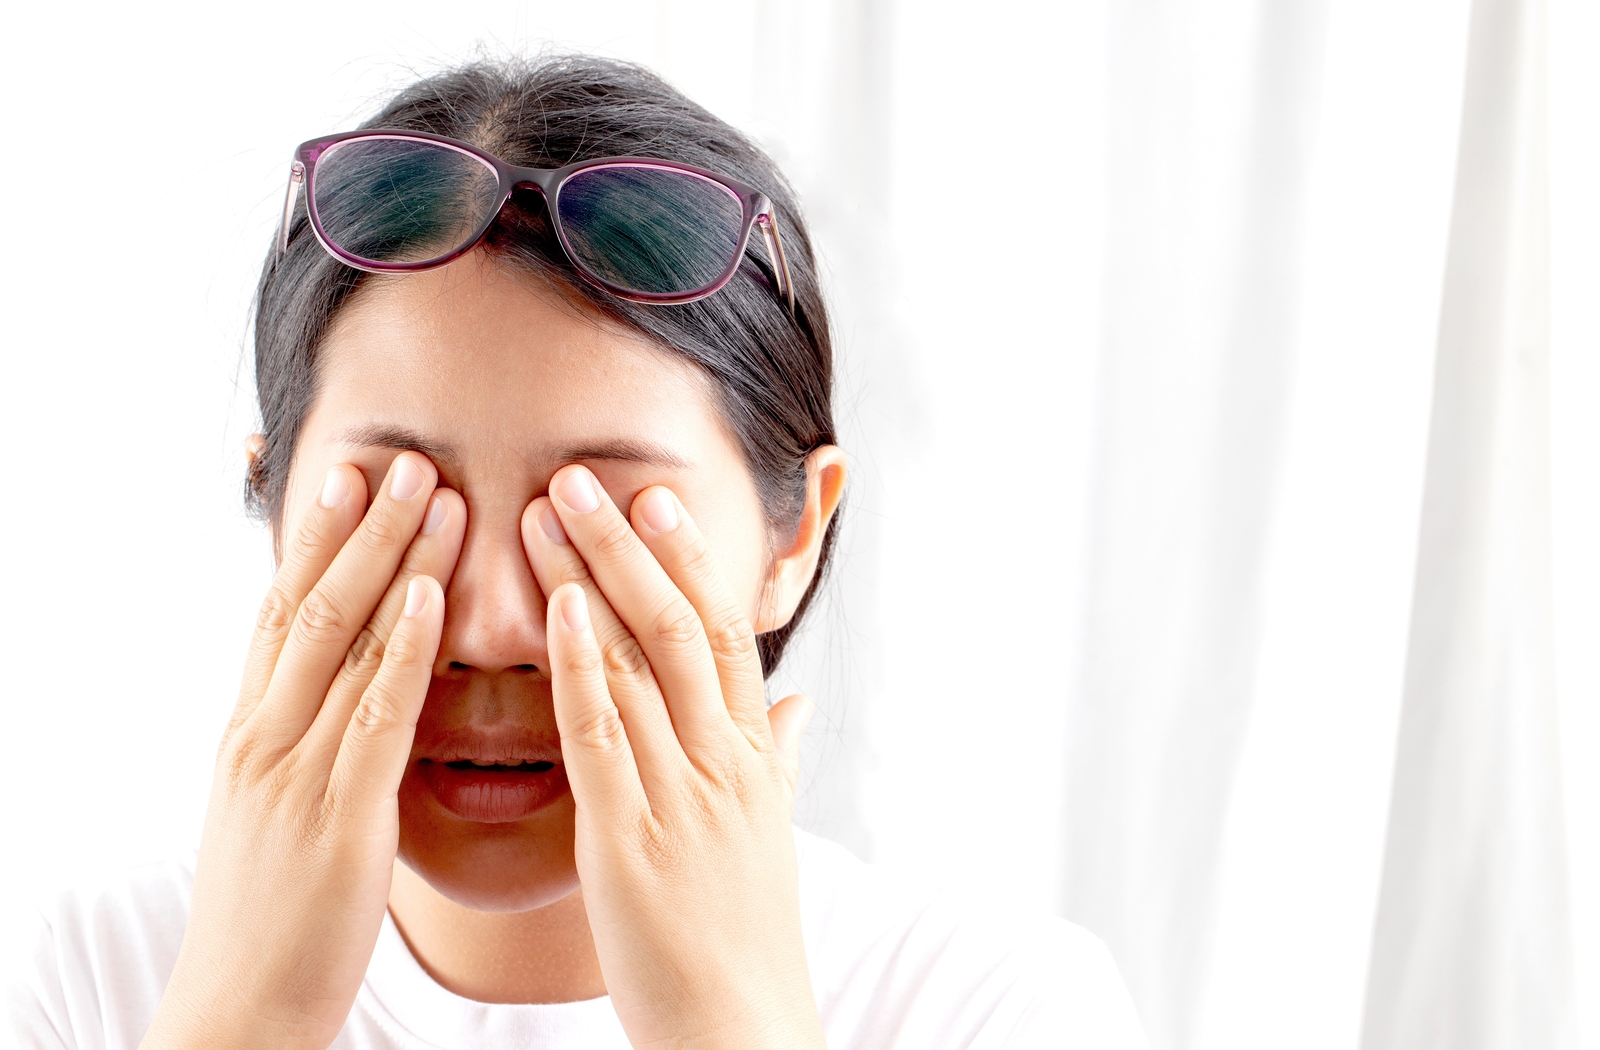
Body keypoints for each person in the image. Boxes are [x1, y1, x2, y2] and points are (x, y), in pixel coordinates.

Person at [2, 55, 1147, 1049]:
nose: (494, 626)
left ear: (794, 534)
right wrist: (243, 1020)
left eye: (592, 514)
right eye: (408, 505)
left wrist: (724, 1028)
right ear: (276, 498)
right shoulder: (84, 979)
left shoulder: (1000, 1011)